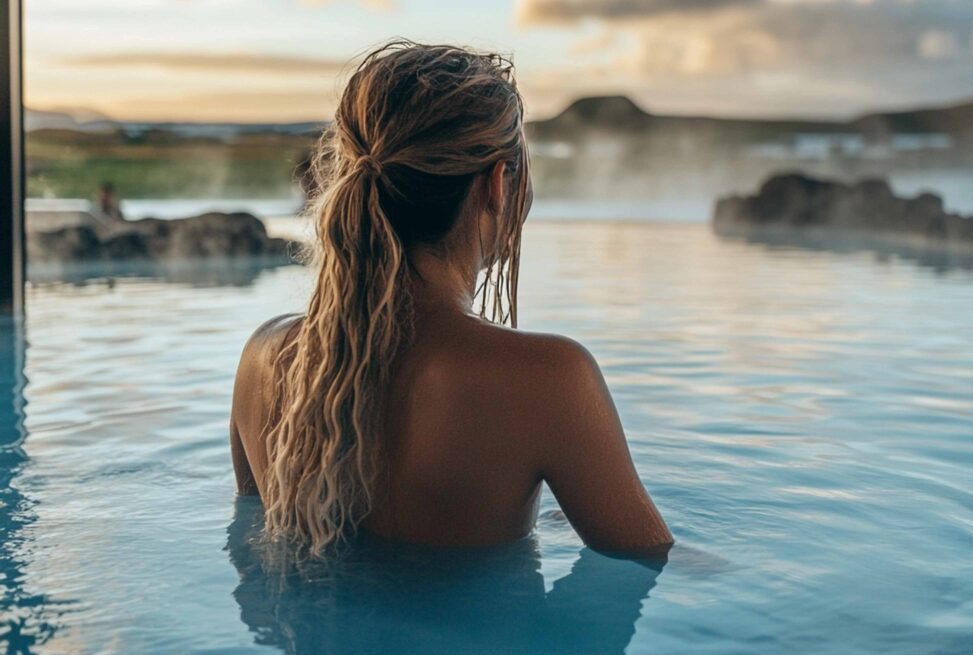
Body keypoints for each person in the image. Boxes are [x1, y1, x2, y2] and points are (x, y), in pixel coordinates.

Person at [230, 41, 673, 556]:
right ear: (497, 185)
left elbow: (251, 547)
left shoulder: (262, 357)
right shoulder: (548, 379)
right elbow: (649, 562)